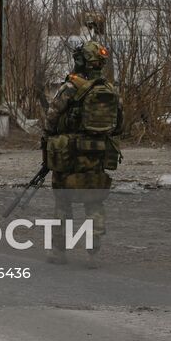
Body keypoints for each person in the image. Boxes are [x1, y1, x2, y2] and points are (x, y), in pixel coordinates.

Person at [42, 40, 123, 265]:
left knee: (63, 200)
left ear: (80, 61)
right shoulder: (109, 89)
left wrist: (50, 137)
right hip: (97, 154)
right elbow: (119, 125)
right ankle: (93, 253)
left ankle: (59, 251)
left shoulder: (70, 87)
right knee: (94, 201)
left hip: (69, 153)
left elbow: (52, 117)